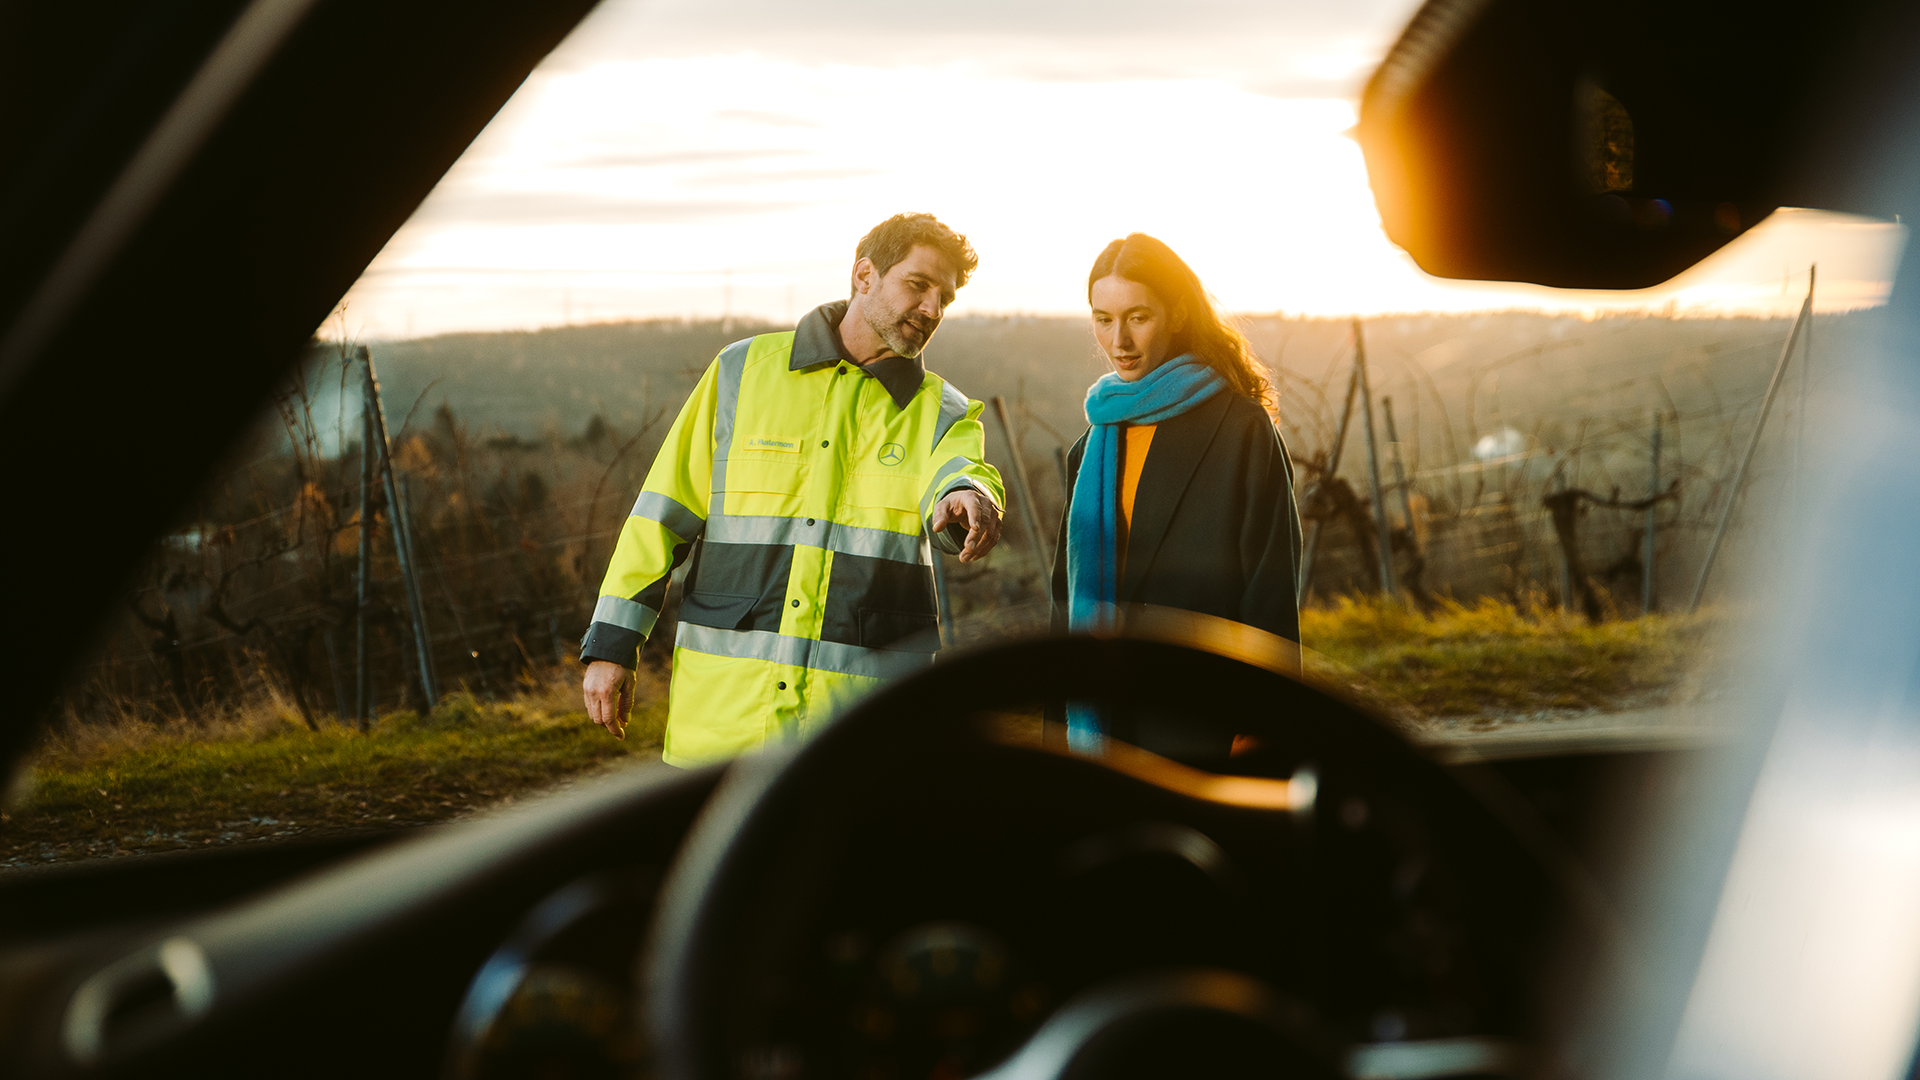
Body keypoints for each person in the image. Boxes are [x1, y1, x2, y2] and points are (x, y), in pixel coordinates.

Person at [580, 213, 1005, 766]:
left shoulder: (944, 411)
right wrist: (613, 646)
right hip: (724, 718)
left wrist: (969, 496)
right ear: (864, 274)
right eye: (918, 285)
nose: (932, 310)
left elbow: (964, 472)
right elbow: (661, 514)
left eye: (944, 298)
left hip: (861, 733)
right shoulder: (740, 373)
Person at [1050, 233, 1302, 762]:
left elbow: (1270, 592)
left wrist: (1263, 724)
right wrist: (1057, 728)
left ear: (1178, 314)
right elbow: (1065, 602)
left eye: (1138, 316)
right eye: (1103, 319)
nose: (1119, 339)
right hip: (1103, 715)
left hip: (1201, 718)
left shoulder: (1241, 429)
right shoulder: (1090, 446)